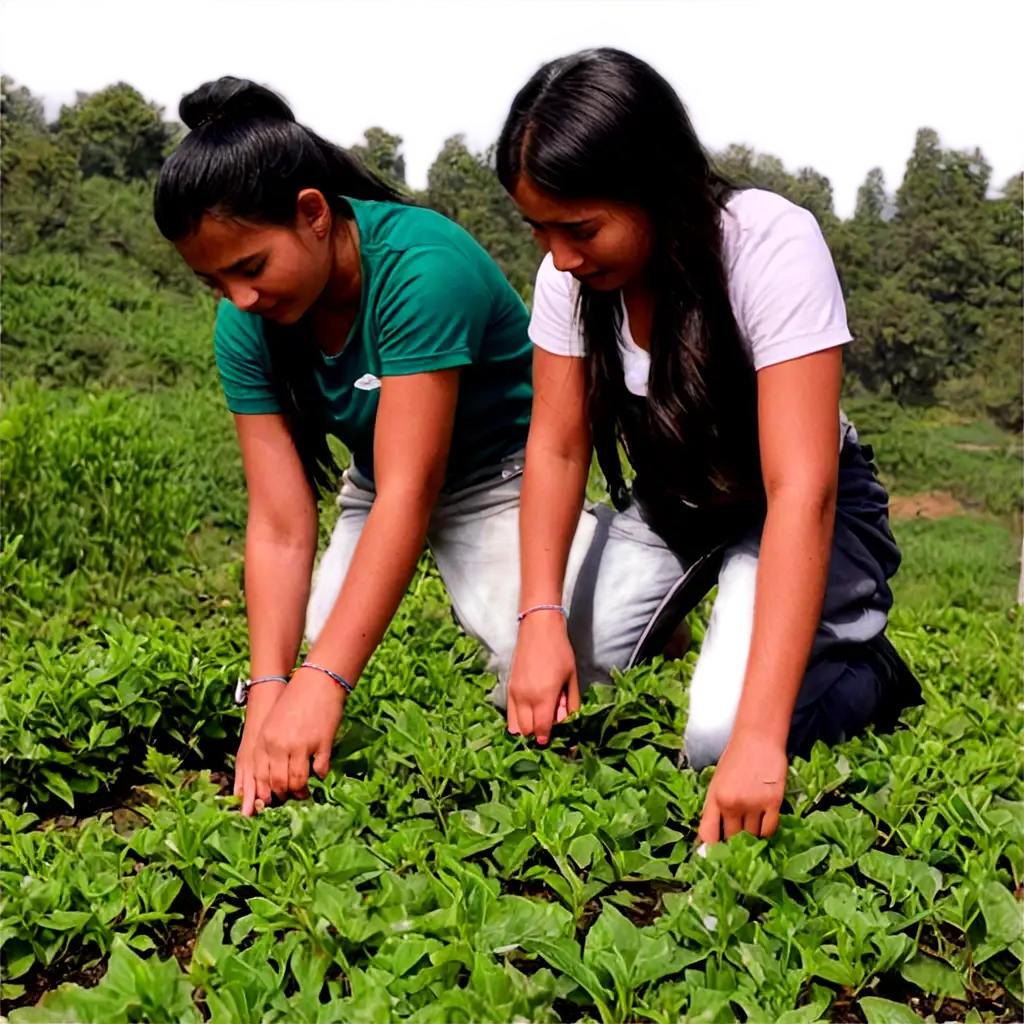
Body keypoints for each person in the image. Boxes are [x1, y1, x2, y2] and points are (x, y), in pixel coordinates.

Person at [494, 47, 923, 845]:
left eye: (580, 228)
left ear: (657, 186)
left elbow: (804, 490)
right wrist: (541, 616)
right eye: (539, 229)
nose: (559, 256)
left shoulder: (766, 245)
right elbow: (556, 451)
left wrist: (760, 735)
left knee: (725, 727)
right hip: (674, 502)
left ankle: (868, 668)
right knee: (549, 679)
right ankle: (718, 612)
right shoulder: (571, 281)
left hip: (787, 504)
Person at [152, 75, 610, 816]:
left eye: (251, 267)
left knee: (576, 660)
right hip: (378, 478)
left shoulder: (422, 271)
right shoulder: (248, 323)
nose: (239, 299)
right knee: (309, 645)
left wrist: (324, 683)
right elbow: (279, 520)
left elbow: (412, 490)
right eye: (213, 282)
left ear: (313, 215)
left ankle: (627, 581)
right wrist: (270, 692)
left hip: (503, 472)